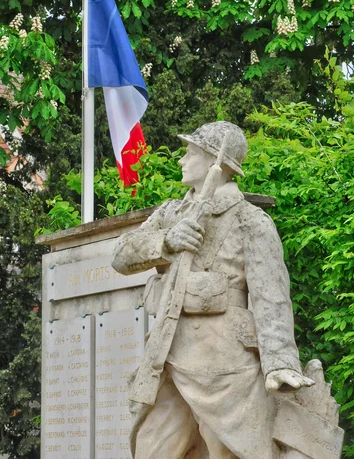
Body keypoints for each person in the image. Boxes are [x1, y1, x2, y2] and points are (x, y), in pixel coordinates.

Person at [112, 121, 314, 459]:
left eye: (190, 152)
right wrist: (166, 241)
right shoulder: (171, 213)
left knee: (227, 452)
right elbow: (121, 255)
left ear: (213, 163)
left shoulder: (251, 221)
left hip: (225, 367)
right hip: (167, 357)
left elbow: (272, 298)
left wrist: (280, 362)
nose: (181, 160)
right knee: (153, 447)